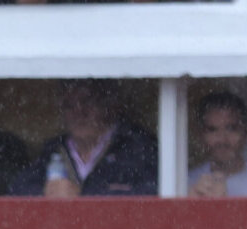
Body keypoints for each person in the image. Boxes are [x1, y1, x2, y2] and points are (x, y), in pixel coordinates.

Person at [9, 78, 158, 197]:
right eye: (69, 105)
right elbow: (17, 193)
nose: (79, 112)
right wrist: (45, 193)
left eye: (87, 102)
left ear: (109, 103)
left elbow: (156, 195)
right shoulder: (53, 150)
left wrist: (84, 195)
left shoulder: (138, 147)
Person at [188, 91, 247, 198]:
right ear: (200, 135)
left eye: (231, 129)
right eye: (212, 130)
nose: (222, 139)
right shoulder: (186, 183)